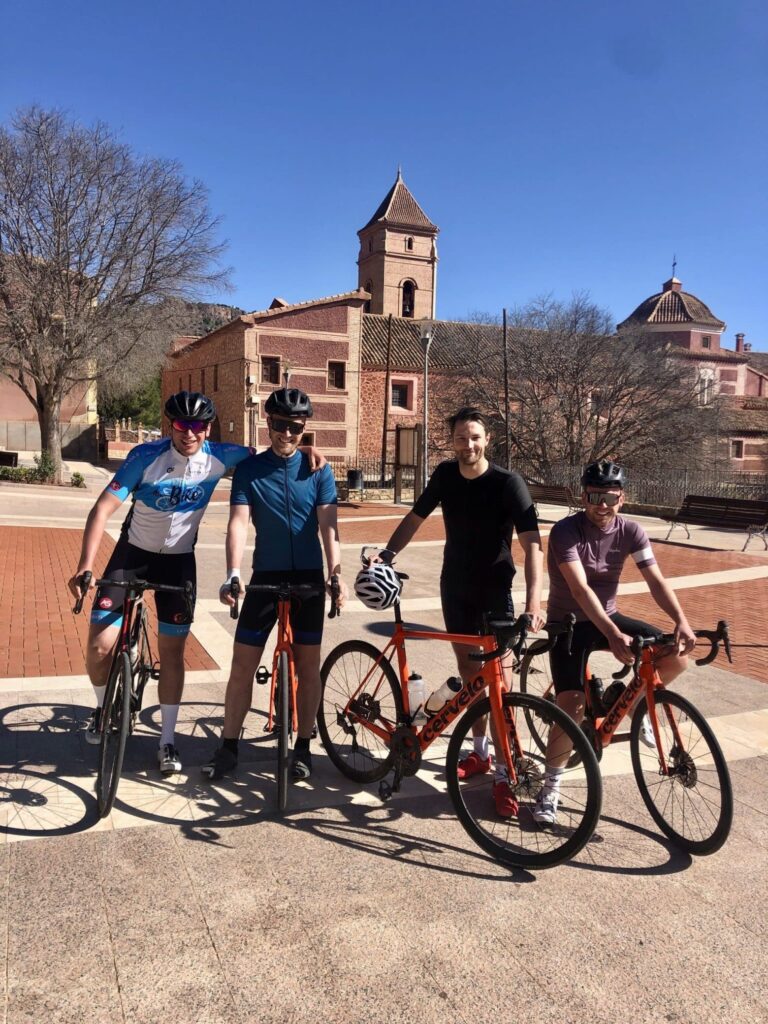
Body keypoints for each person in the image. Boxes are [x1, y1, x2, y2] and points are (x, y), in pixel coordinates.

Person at [68, 390, 325, 776]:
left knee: (173, 653)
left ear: (208, 428)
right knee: (99, 646)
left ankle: (167, 741)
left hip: (178, 563)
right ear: (170, 425)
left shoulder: (222, 456)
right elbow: (102, 509)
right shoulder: (145, 457)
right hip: (132, 556)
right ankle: (104, 710)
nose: (189, 433)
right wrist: (86, 566)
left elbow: (275, 447)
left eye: (197, 425)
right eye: (181, 424)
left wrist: (304, 450)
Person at [376, 407, 545, 817]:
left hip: (495, 591)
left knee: (499, 685)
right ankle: (481, 752)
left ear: (487, 440)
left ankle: (505, 774)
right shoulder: (446, 476)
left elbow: (532, 543)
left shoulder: (509, 483)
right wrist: (385, 554)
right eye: (460, 439)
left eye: (474, 438)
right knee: (472, 678)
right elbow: (415, 517)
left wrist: (534, 600)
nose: (467, 445)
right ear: (451, 442)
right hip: (455, 588)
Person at [534, 459, 696, 825]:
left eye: (609, 497)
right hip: (569, 622)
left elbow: (655, 579)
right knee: (571, 705)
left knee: (675, 655)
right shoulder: (565, 532)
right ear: (583, 496)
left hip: (608, 616)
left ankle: (634, 706)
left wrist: (681, 621)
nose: (602, 504)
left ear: (622, 498)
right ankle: (550, 787)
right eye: (594, 496)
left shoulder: (632, 531)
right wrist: (611, 632)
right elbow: (578, 588)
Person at [203, 387, 347, 782]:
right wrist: (233, 572)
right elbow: (238, 523)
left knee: (308, 666)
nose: (287, 434)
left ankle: (303, 746)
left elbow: (328, 527)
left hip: (308, 580)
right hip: (265, 577)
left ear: (305, 428)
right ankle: (229, 746)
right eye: (280, 425)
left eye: (296, 428)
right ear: (268, 423)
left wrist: (335, 574)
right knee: (242, 665)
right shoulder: (250, 470)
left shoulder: (318, 470)